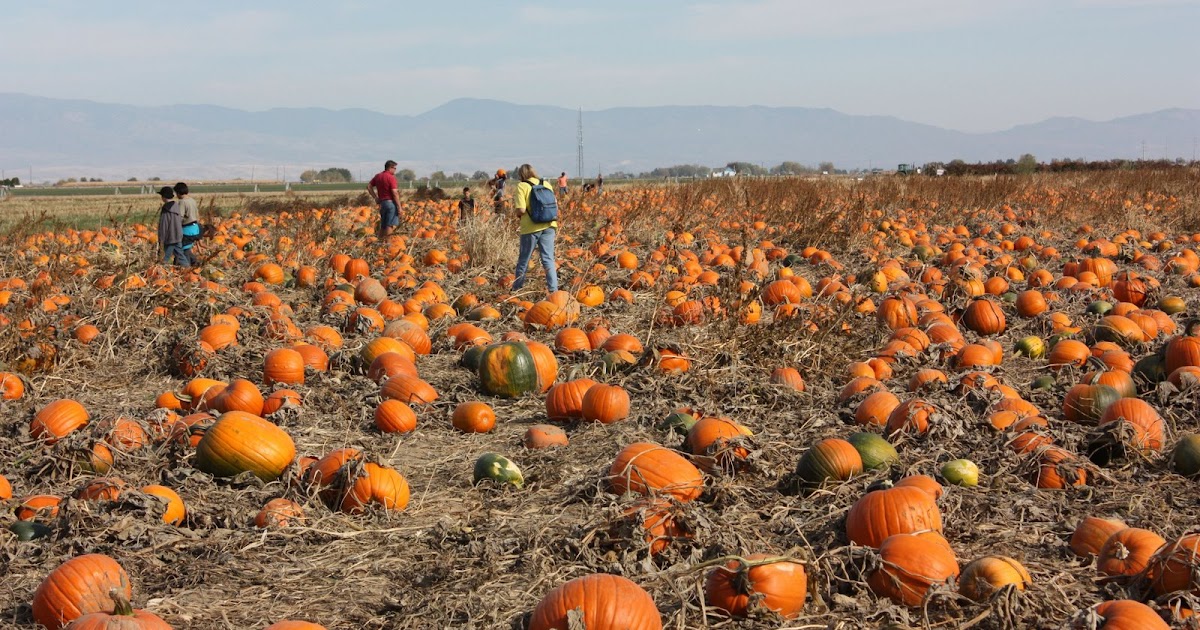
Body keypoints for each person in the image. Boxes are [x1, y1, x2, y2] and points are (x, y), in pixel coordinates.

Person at [511, 163, 558, 294]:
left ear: (521, 175)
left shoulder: (522, 186)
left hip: (531, 227)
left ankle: (516, 289)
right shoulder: (546, 184)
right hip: (549, 224)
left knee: (524, 259)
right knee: (548, 259)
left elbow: (521, 209)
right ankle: (554, 291)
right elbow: (555, 204)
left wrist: (517, 214)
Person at [367, 160, 402, 237]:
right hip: (390, 204)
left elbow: (369, 186)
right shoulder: (391, 178)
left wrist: (375, 198)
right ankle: (388, 245)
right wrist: (399, 207)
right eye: (395, 168)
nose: (395, 170)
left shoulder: (378, 176)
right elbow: (394, 193)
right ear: (390, 168)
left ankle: (380, 243)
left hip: (382, 204)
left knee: (383, 225)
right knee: (389, 225)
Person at [156, 186, 189, 267]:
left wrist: (161, 239)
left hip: (170, 237)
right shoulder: (176, 206)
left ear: (163, 197)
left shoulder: (166, 209)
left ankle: (160, 272)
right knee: (180, 255)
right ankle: (188, 269)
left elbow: (164, 225)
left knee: (164, 258)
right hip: (178, 234)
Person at [175, 182, 201, 265]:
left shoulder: (182, 202)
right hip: (195, 228)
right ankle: (195, 262)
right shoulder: (192, 200)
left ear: (178, 192)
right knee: (187, 247)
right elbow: (197, 214)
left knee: (181, 249)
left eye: (176, 193)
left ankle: (186, 267)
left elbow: (180, 216)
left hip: (187, 229)